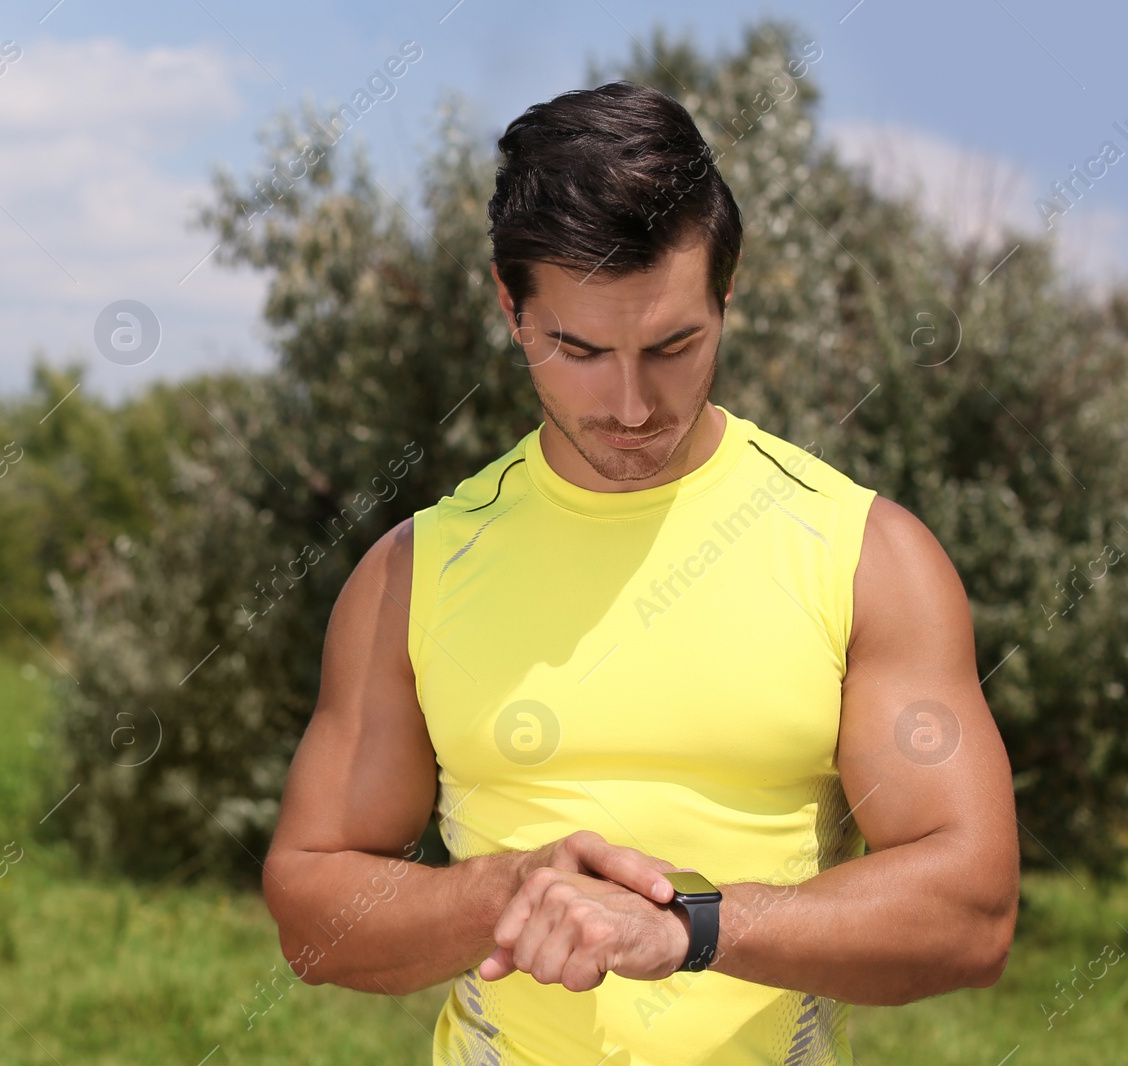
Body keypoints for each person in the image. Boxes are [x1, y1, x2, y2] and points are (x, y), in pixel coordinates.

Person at [260, 82, 1019, 1066]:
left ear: (725, 295)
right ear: (510, 306)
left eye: (673, 345)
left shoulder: (866, 554)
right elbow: (310, 909)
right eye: (577, 348)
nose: (629, 404)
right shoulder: (414, 572)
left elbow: (972, 909)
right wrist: (508, 892)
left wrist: (690, 926)